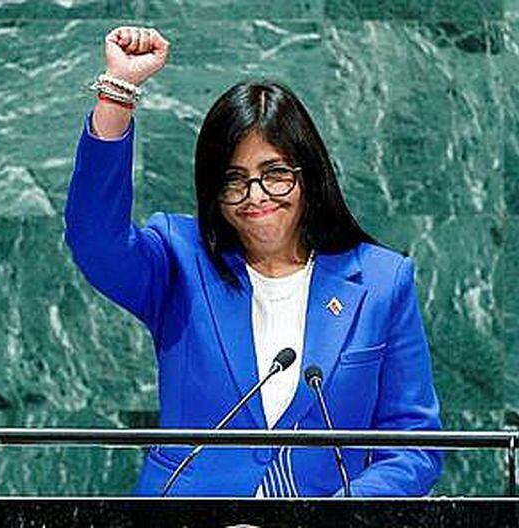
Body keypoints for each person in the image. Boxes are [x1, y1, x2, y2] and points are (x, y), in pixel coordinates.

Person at [65, 26, 443, 497]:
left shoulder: (383, 282)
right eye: (234, 179)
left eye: (275, 174)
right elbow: (94, 239)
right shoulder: (180, 260)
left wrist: (330, 517)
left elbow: (414, 446)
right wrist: (118, 93)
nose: (256, 196)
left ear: (310, 175)